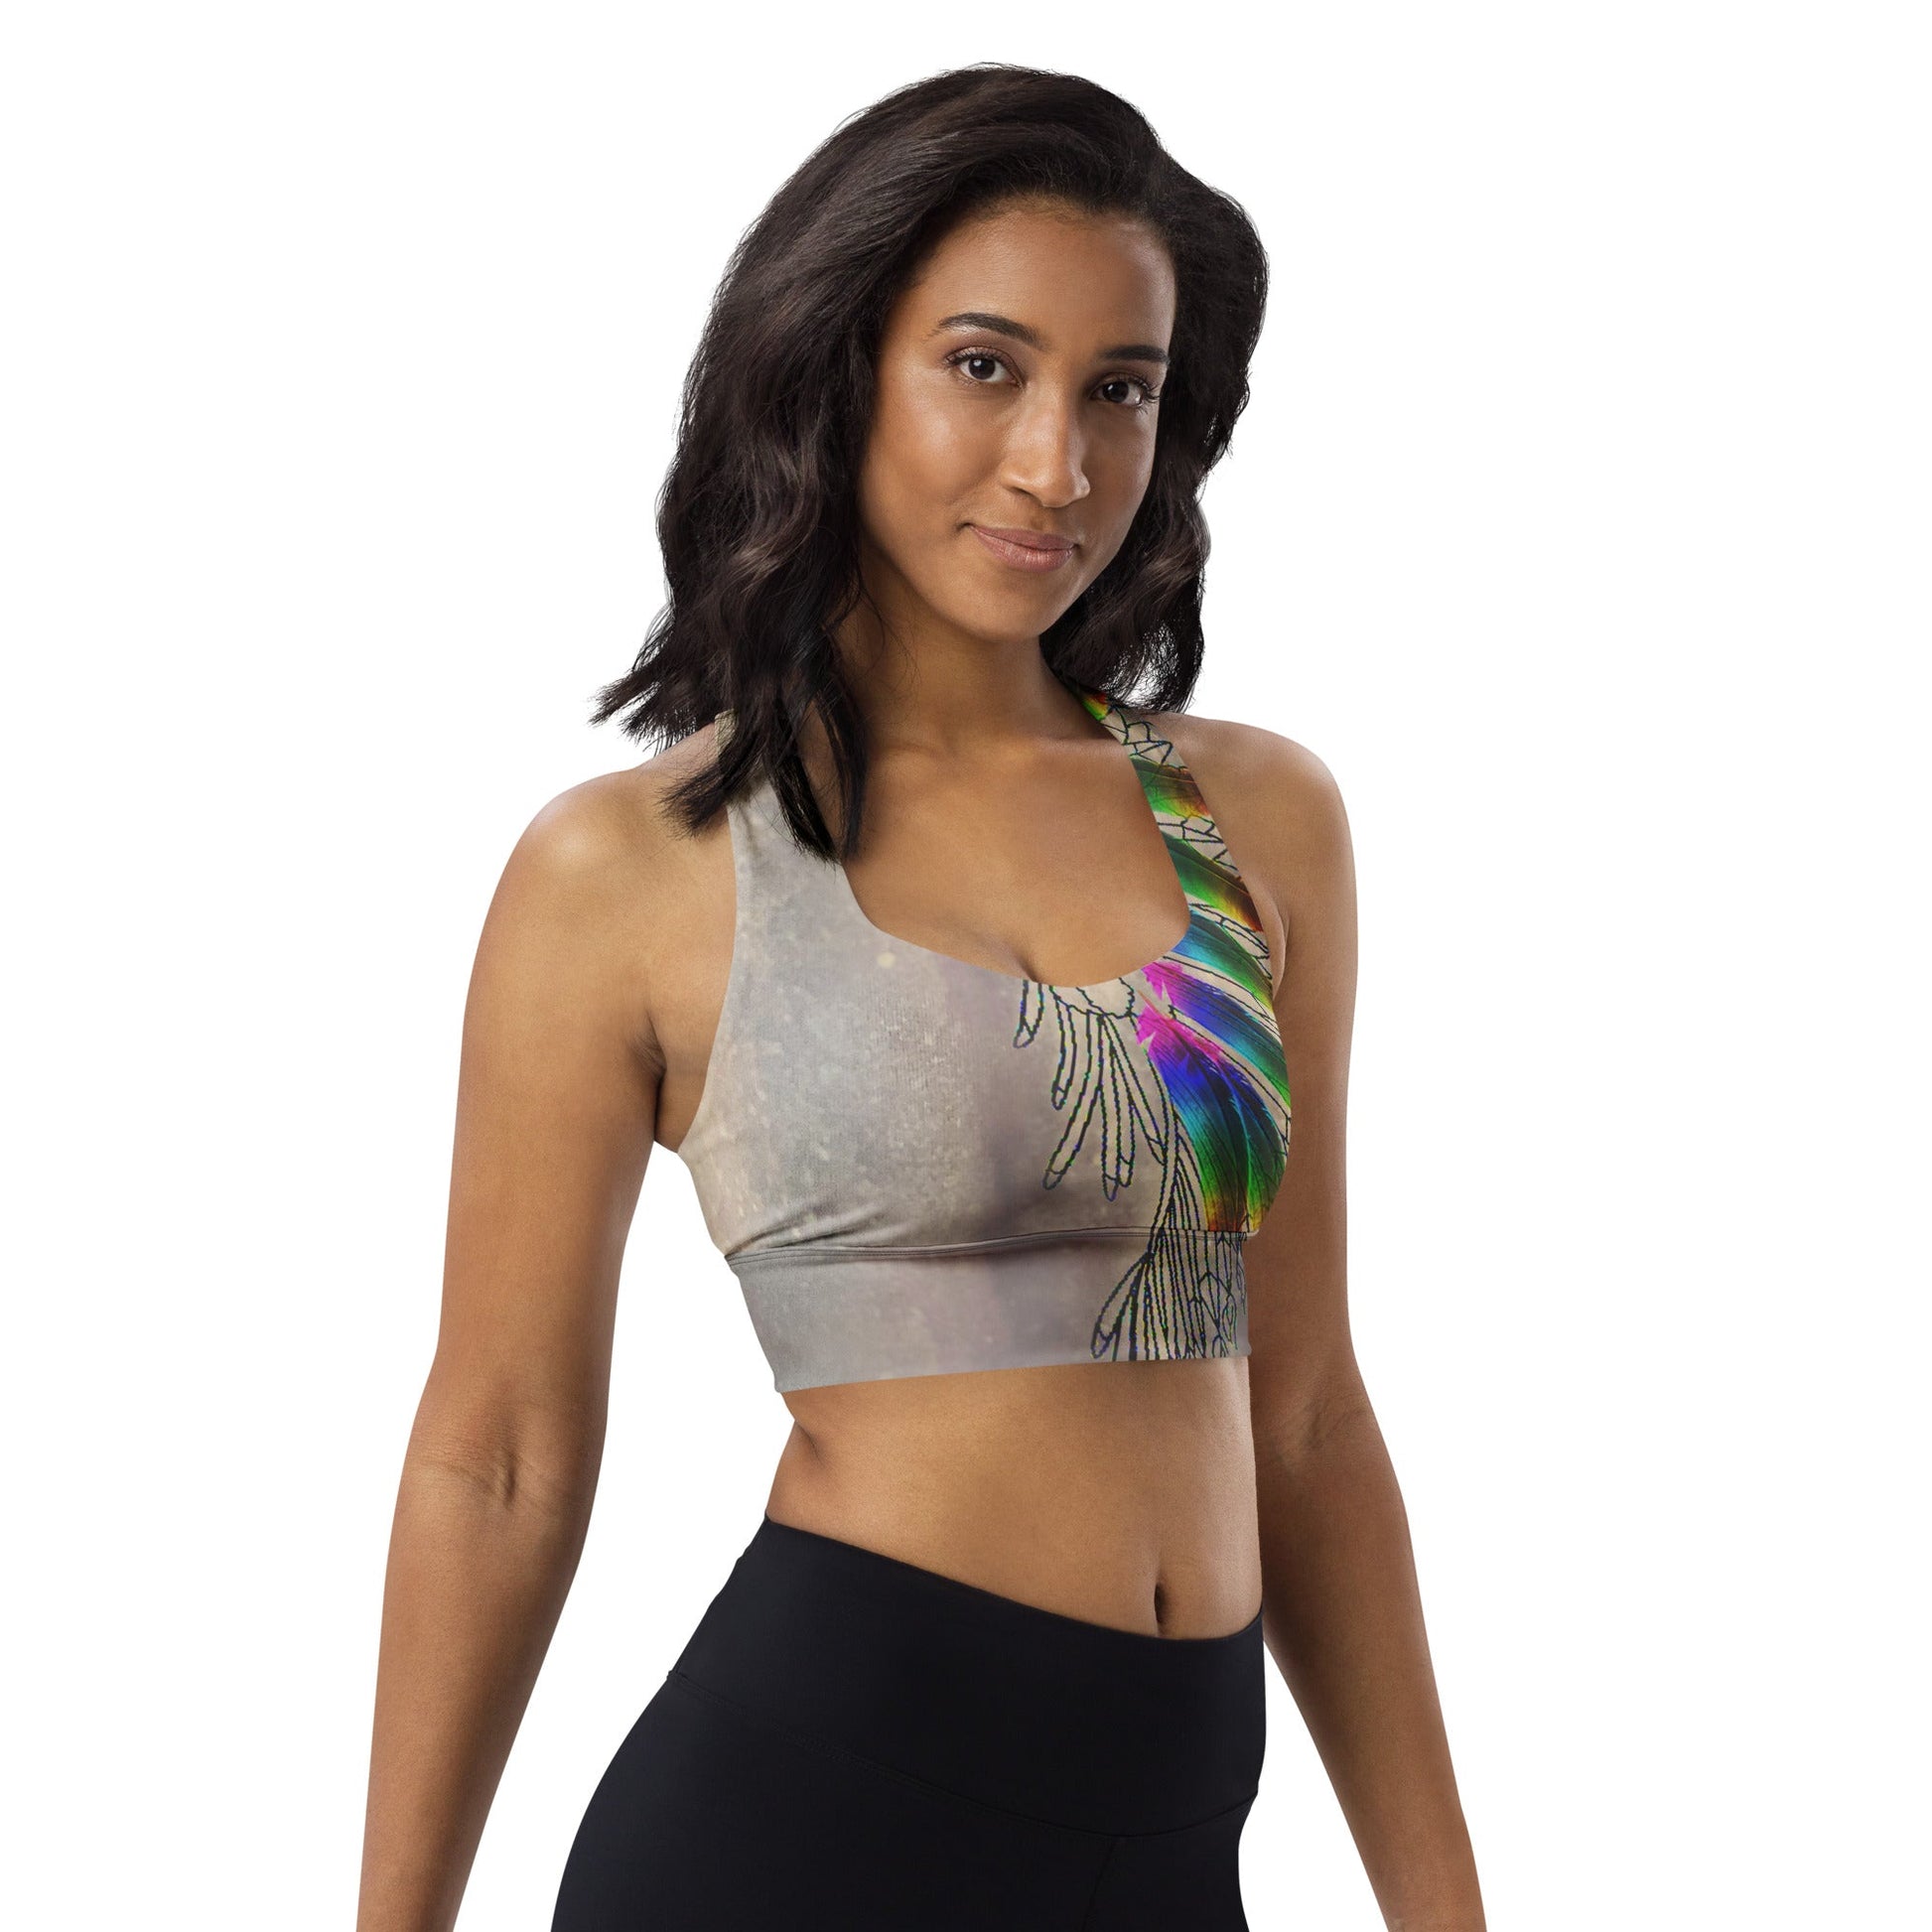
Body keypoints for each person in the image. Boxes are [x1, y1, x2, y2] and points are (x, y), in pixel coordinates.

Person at [356, 64, 1485, 1932]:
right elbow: (497, 1457)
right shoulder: (628, 870)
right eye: (983, 366)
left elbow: (1303, 1421)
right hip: (804, 1833)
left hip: (1169, 1848)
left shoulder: (1257, 819)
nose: (1057, 464)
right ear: (835, 369)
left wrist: (1446, 1909)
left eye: (1118, 389)